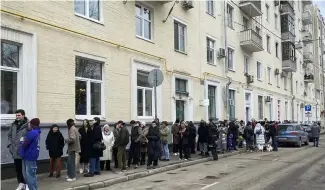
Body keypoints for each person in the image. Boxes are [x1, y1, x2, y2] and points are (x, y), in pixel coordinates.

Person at [7, 109, 29, 190]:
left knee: (25, 168)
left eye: (19, 115)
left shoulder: (28, 125)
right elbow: (9, 135)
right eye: (16, 115)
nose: (17, 117)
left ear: (23, 115)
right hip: (15, 150)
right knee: (18, 168)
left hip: (24, 150)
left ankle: (27, 184)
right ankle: (21, 183)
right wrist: (9, 145)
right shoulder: (13, 125)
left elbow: (31, 137)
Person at [19, 118, 41, 190]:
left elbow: (25, 144)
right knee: (32, 175)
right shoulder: (37, 132)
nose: (28, 124)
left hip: (29, 156)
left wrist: (22, 141)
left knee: (29, 176)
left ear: (32, 124)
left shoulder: (32, 133)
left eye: (29, 123)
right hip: (32, 156)